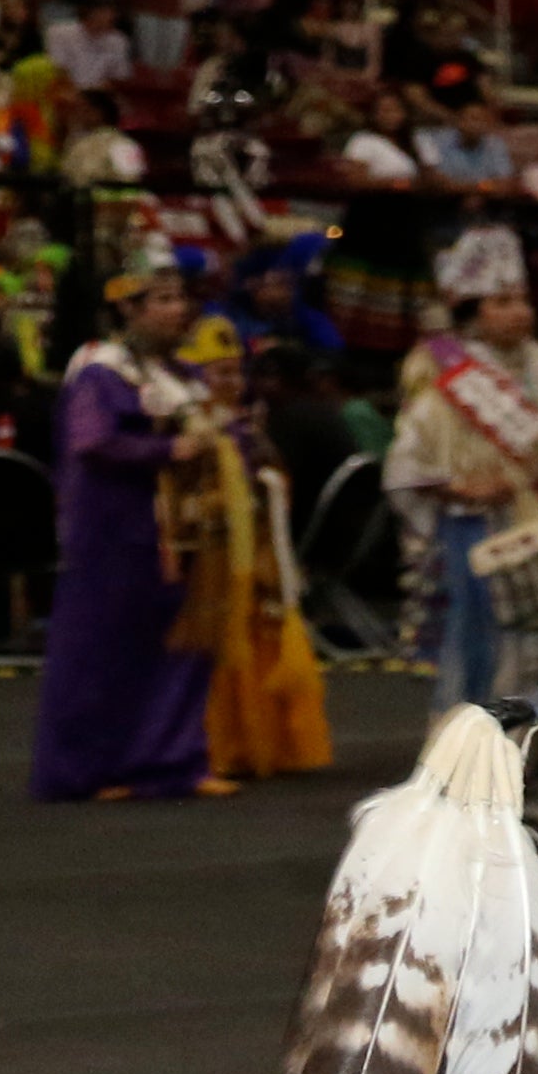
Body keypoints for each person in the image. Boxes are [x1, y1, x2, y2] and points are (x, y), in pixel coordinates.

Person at [386, 232, 538, 720]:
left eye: (523, 300)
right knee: (485, 646)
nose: (519, 312)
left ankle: (528, 767)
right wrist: (455, 486)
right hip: (479, 529)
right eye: (502, 302)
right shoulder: (448, 377)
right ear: (472, 312)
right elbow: (408, 458)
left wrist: (527, 477)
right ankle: (473, 773)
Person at [31, 251, 221, 801]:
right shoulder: (101, 370)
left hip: (177, 534)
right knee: (101, 652)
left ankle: (170, 762)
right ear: (128, 311)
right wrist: (171, 447)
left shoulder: (183, 374)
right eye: (161, 300)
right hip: (114, 532)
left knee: (178, 646)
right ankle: (85, 770)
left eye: (179, 298)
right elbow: (91, 443)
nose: (177, 309)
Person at [173, 309, 332, 785]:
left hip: (256, 546)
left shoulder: (245, 426)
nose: (231, 381)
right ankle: (223, 745)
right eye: (219, 372)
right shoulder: (189, 427)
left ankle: (264, 743)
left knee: (262, 632)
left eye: (235, 371)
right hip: (210, 555)